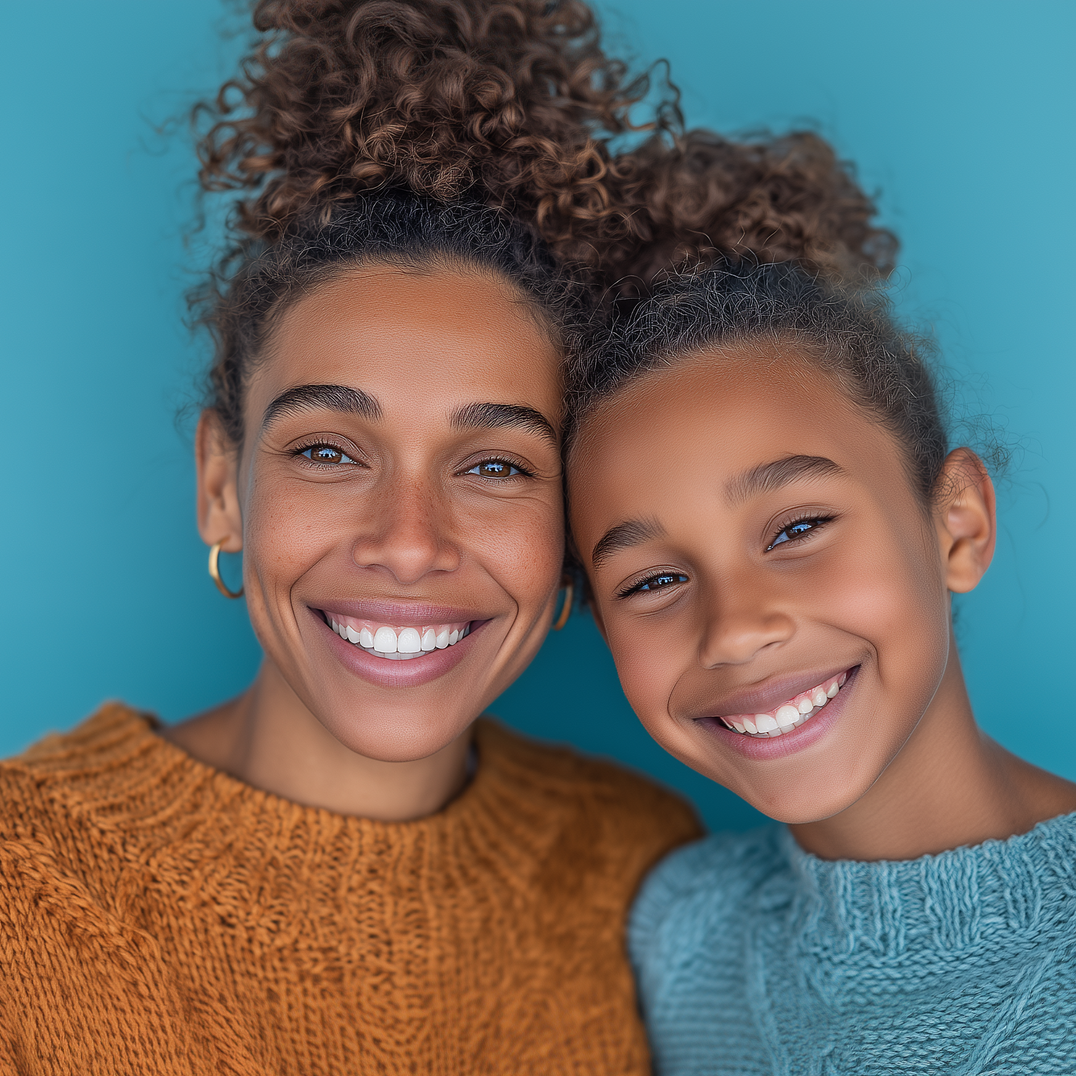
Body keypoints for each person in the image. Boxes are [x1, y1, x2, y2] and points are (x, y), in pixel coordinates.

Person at [0, 1, 894, 1072]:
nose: (408, 542)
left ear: (575, 526)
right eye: (328, 451)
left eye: (495, 465)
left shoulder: (636, 866)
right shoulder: (25, 882)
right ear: (219, 486)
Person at [566, 260, 1076, 1074]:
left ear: (956, 525)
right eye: (653, 581)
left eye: (798, 528)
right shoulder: (675, 936)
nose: (733, 630)